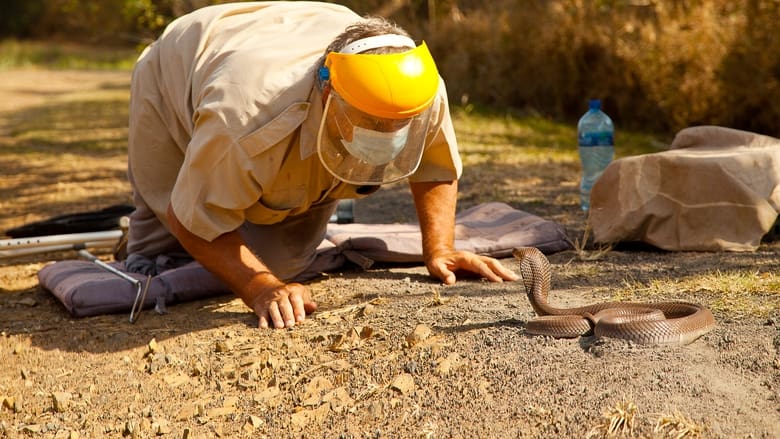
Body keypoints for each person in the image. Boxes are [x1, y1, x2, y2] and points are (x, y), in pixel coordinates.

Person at [125, 1, 518, 329]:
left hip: (286, 43)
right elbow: (190, 214)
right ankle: (164, 222)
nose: (387, 133)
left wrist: (440, 247)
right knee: (170, 236)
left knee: (284, 263)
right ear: (327, 89)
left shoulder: (416, 90)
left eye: (396, 126)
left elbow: (436, 164)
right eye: (372, 123)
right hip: (175, 70)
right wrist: (260, 287)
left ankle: (240, 194)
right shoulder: (244, 118)